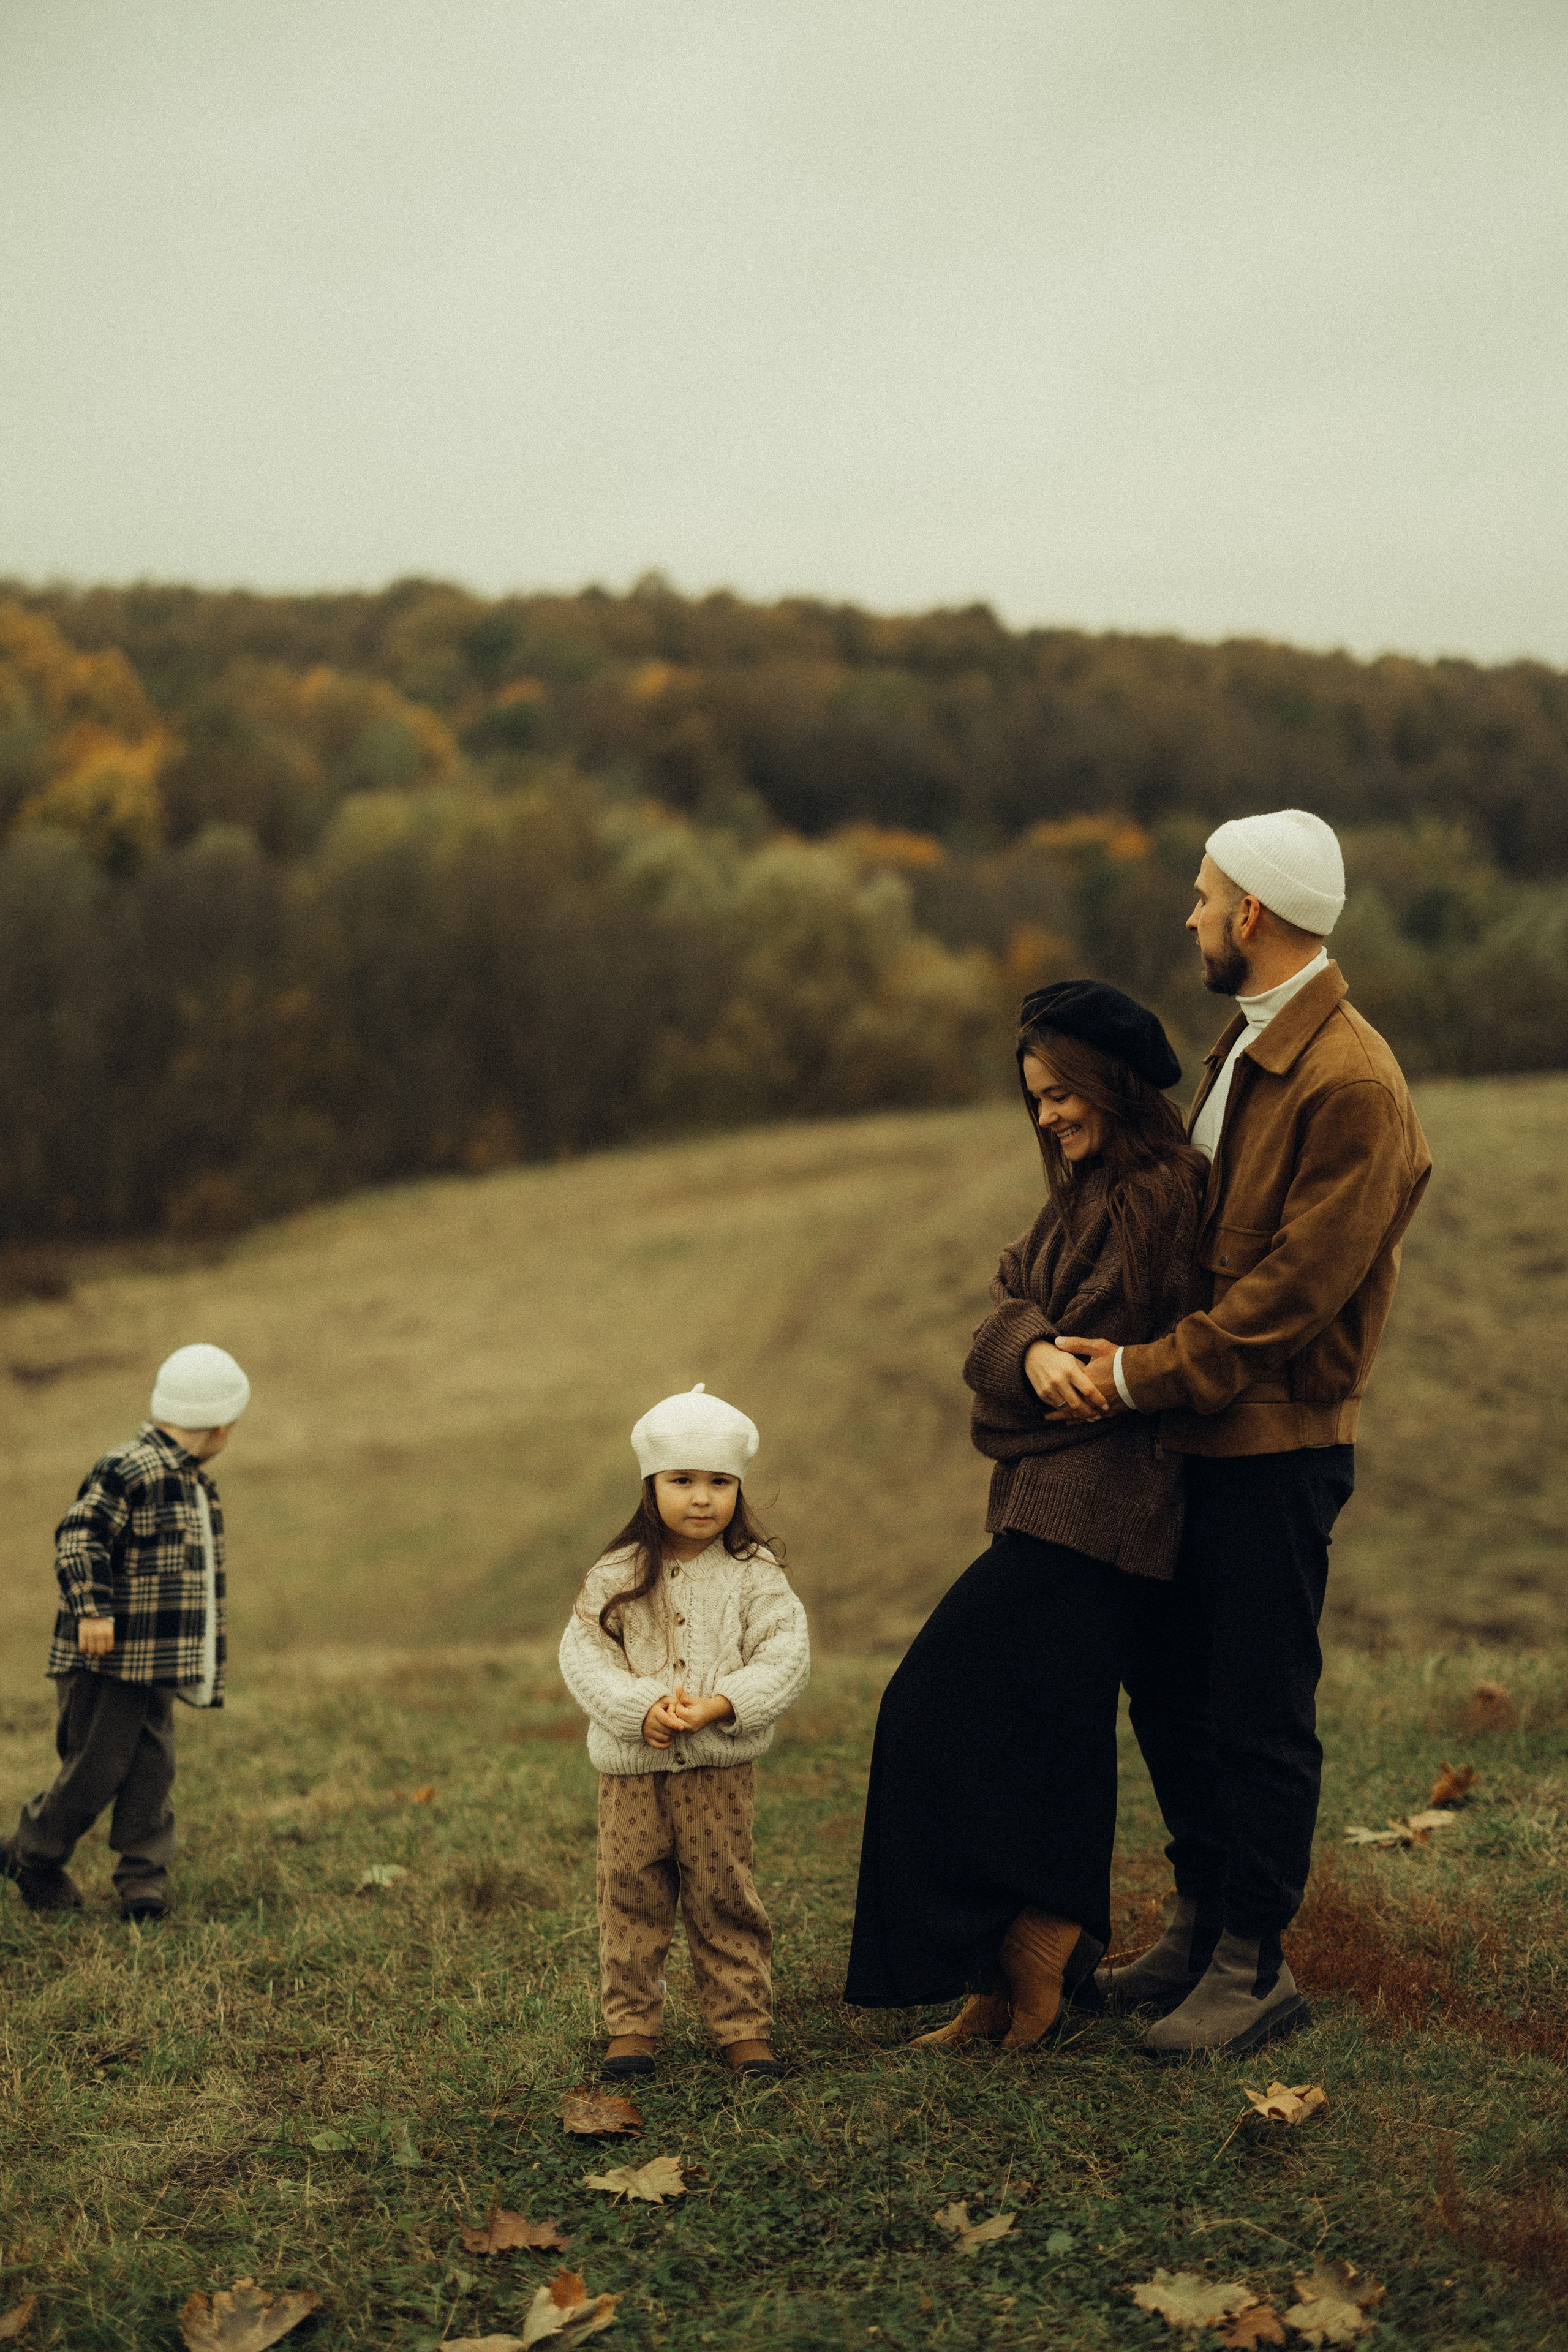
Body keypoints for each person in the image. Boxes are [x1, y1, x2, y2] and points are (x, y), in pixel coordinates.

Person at [1053, 810, 1431, 2057]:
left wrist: (1135, 1379)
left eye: (1204, 896)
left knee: (1258, 1708)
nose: (1192, 914)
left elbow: (1286, 1299)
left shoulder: (1349, 1080)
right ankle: (1201, 1922)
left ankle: (1254, 1967)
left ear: (1252, 915)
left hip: (1274, 1445)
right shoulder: (1250, 1039)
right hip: (1198, 1435)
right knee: (1172, 1688)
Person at [843, 984, 1206, 2051]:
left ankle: (1040, 1944)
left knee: (930, 1708)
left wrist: (1027, 1368)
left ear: (1112, 1084)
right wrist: (1032, 1349)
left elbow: (1079, 1383)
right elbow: (1002, 1312)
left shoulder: (1162, 1196)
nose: (1045, 1118)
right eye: (1035, 1099)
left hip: (1104, 1517)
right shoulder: (1083, 1194)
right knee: (1029, 1736)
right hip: (1052, 1507)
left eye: (1060, 1094)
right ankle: (1004, 1975)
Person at [559, 1383, 810, 2081]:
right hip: (631, 1776)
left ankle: (743, 2030)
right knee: (630, 1896)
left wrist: (722, 1704)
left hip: (718, 1775)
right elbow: (584, 1656)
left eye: (719, 1482)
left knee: (723, 1895)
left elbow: (785, 1655)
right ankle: (631, 2028)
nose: (702, 1498)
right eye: (682, 1481)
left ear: (738, 1488)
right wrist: (640, 1708)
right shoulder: (615, 1574)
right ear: (651, 1485)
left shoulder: (755, 1575)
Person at [0, 1343, 251, 1924]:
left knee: (152, 1769)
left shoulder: (190, 1482)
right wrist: (92, 1609)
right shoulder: (128, 1469)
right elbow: (79, 1537)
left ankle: (144, 1877)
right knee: (97, 1767)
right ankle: (31, 1854)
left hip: (156, 1662)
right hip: (105, 1661)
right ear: (220, 1427)